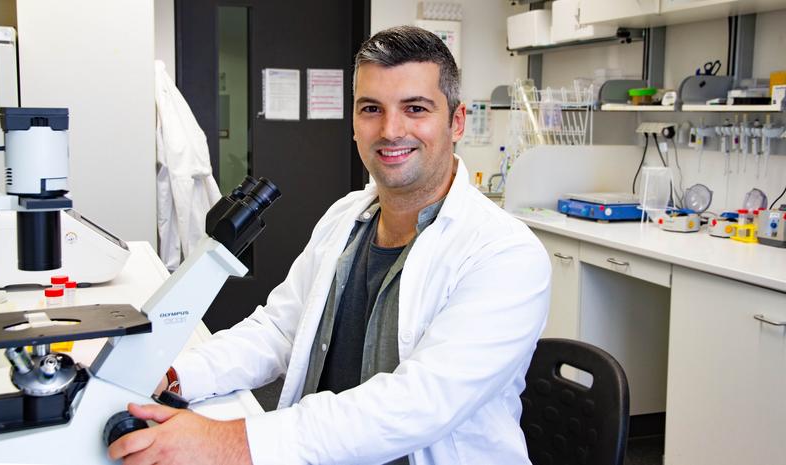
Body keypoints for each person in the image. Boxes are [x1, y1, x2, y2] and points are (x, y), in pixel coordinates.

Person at [109, 25, 551, 465]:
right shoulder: (346, 217)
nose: (391, 129)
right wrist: (175, 374)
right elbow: (280, 330)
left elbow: (419, 403)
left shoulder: (505, 255)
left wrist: (232, 442)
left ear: (456, 121)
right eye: (371, 109)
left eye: (415, 108)